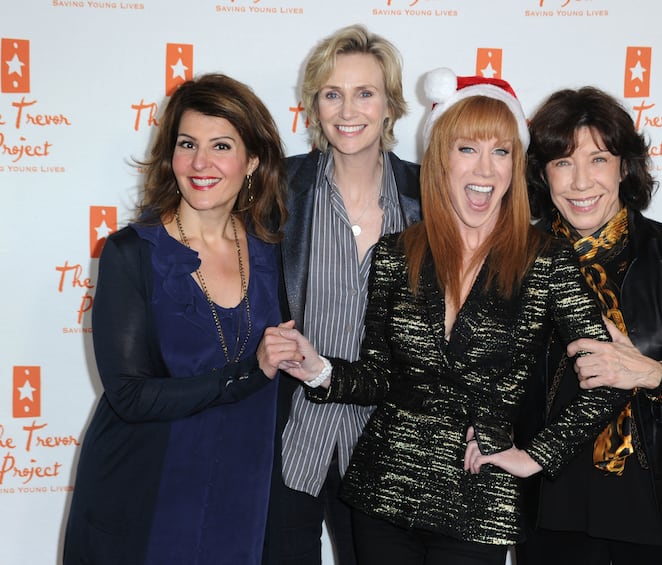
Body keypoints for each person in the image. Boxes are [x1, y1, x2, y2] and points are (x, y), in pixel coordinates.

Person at [260, 68, 630, 565]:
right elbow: (379, 375)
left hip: (478, 501)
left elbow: (610, 379)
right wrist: (318, 370)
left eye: (501, 151)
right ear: (439, 158)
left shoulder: (547, 260)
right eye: (467, 149)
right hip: (382, 494)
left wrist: (536, 455)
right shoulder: (396, 253)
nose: (485, 169)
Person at [513, 86, 662, 565]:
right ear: (542, 173)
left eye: (597, 160)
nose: (580, 183)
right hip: (550, 514)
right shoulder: (515, 262)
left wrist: (649, 374)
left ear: (624, 166)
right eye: (562, 162)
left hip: (660, 513)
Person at [63, 73, 288, 565]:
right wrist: (249, 374)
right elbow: (129, 394)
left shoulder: (275, 252)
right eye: (187, 144)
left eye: (221, 145)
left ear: (251, 161)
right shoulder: (130, 253)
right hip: (143, 495)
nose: (200, 163)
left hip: (241, 494)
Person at [262, 24, 421, 565]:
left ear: (390, 106)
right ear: (314, 105)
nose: (347, 109)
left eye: (364, 93)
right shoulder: (279, 190)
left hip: (389, 442)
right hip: (294, 435)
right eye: (333, 93)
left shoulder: (426, 196)